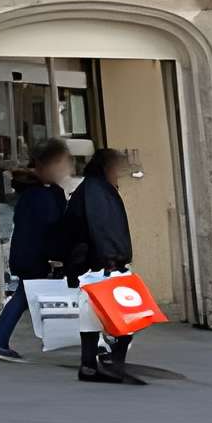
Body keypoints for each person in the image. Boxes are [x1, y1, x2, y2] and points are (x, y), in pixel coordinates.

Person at [0, 140, 73, 361]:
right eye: (62, 164)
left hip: (30, 254)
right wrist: (57, 255)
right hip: (35, 256)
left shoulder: (39, 192)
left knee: (24, 297)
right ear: (47, 166)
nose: (66, 170)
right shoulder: (41, 195)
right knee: (24, 296)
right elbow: (51, 228)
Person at [63, 148, 141, 385]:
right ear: (108, 168)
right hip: (102, 265)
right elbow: (103, 228)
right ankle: (112, 363)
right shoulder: (97, 192)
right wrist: (115, 259)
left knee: (91, 316)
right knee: (128, 315)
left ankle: (89, 364)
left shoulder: (90, 189)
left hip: (90, 265)